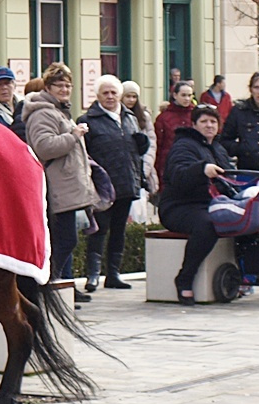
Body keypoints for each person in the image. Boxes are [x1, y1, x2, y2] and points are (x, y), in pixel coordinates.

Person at [22, 63, 98, 304]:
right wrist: (73, 136)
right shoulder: (43, 113)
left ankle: (50, 286)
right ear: (48, 87)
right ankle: (42, 286)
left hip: (66, 190)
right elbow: (43, 147)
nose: (65, 89)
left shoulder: (59, 111)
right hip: (55, 190)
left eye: (68, 85)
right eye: (59, 85)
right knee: (63, 240)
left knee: (65, 240)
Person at [78, 76, 149, 292]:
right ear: (98, 96)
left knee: (119, 230)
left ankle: (114, 274)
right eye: (105, 93)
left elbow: (136, 150)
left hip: (126, 182)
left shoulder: (129, 118)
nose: (110, 97)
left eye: (113, 93)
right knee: (99, 230)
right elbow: (84, 154)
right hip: (102, 185)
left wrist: (141, 146)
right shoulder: (88, 119)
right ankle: (92, 275)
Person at [158, 105, 234, 306]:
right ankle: (185, 279)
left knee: (243, 217)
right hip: (178, 206)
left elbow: (230, 178)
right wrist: (202, 169)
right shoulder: (184, 145)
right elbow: (178, 176)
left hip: (209, 204)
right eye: (204, 121)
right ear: (194, 125)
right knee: (207, 225)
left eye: (213, 122)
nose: (209, 125)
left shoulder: (219, 149)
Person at [121, 81, 159, 219]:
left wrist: (146, 167)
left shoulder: (144, 116)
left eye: (134, 96)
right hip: (125, 168)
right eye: (128, 96)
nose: (131, 100)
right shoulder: (117, 116)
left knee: (139, 211)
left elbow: (152, 142)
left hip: (142, 168)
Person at [154, 81, 195, 189]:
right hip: (168, 163)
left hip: (192, 161)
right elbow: (158, 145)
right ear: (175, 95)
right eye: (183, 95)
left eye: (189, 95)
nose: (187, 99)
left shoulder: (196, 115)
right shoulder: (163, 118)